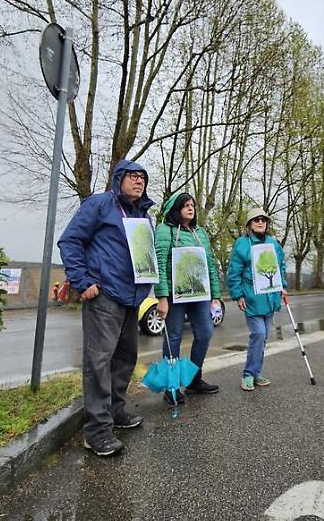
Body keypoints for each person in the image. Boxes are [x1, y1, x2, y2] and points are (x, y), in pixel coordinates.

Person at [57, 160, 155, 457]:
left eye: (143, 178)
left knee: (126, 358)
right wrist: (82, 280)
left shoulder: (144, 216)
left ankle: (115, 412)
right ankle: (97, 431)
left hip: (132, 298)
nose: (139, 182)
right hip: (105, 295)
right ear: (118, 179)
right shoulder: (100, 204)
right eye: (133, 177)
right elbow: (70, 240)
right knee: (98, 362)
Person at [153, 192, 223, 403]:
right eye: (185, 205)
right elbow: (159, 262)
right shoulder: (164, 230)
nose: (191, 208)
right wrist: (162, 296)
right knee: (173, 337)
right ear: (176, 209)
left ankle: (194, 379)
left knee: (205, 332)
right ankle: (171, 386)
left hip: (199, 294)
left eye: (192, 205)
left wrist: (216, 296)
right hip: (175, 295)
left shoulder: (200, 233)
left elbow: (210, 263)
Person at [226, 208, 288, 391]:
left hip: (270, 298)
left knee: (264, 337)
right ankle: (248, 373)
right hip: (252, 299)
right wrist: (238, 295)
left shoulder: (273, 244)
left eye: (263, 220)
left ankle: (256, 372)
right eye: (256, 220)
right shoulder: (242, 244)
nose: (260, 222)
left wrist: (282, 286)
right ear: (249, 225)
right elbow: (234, 273)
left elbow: (280, 267)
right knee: (258, 334)